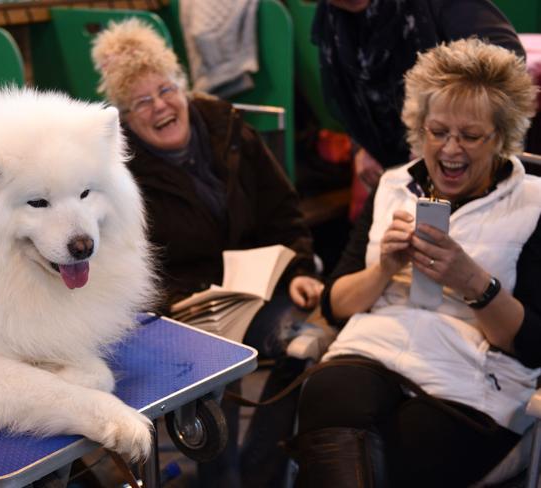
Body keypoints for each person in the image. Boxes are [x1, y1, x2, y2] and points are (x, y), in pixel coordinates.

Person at [291, 38, 541, 487]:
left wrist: (474, 282)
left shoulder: (534, 205)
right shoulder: (391, 188)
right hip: (373, 351)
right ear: (418, 127)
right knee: (326, 398)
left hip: (472, 381)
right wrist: (384, 268)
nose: (450, 149)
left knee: (390, 459)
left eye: (469, 135)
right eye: (438, 131)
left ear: (501, 138)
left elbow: (534, 344)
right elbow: (334, 304)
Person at [91, 19, 324, 487]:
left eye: (166, 89)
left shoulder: (227, 126)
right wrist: (175, 305)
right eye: (141, 102)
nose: (160, 106)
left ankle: (263, 468)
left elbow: (282, 210)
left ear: (183, 86)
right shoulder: (120, 176)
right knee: (216, 378)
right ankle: (222, 481)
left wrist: (298, 266)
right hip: (182, 308)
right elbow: (124, 269)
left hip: (255, 288)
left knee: (306, 345)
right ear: (126, 119)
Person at [312, 0, 525, 219]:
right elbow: (353, 96)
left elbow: (506, 63)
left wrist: (436, 135)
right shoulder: (332, 17)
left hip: (464, 172)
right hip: (397, 171)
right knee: (403, 245)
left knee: (458, 244)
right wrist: (363, 146)